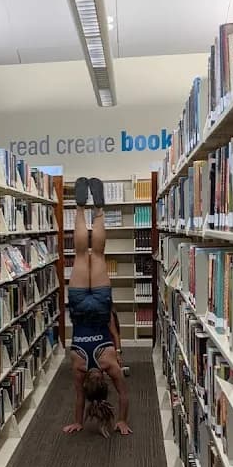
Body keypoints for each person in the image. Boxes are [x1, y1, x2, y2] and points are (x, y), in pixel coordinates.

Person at [63, 176, 132, 437]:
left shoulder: (109, 363)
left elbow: (123, 395)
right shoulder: (78, 366)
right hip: (80, 306)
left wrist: (122, 420)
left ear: (104, 381)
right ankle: (81, 208)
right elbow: (79, 398)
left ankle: (99, 209)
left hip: (101, 306)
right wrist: (77, 421)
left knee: (99, 254)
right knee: (82, 254)